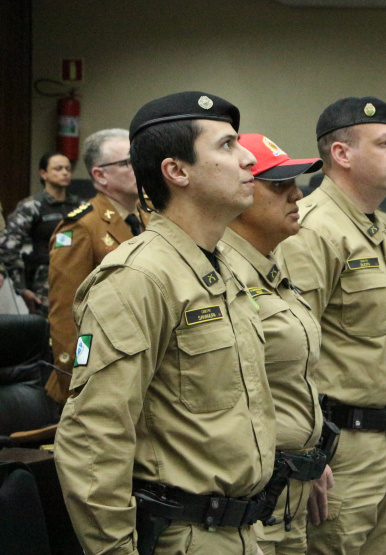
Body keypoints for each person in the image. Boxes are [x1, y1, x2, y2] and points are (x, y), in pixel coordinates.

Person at [54, 91, 276, 555]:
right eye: (227, 145)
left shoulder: (224, 267)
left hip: (243, 530)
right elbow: (95, 434)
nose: (249, 158)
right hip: (184, 535)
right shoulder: (138, 277)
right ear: (176, 171)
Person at [277, 96, 386, 554]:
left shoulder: (380, 225)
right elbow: (292, 351)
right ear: (341, 154)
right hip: (342, 447)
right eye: (385, 143)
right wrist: (310, 453)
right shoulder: (312, 229)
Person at [221, 132, 328, 554]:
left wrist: (311, 453)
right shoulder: (220, 274)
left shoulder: (271, 263)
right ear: (239, 192)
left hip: (292, 486)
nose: (296, 195)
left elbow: (286, 378)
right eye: (280, 185)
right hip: (248, 497)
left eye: (294, 184)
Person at [46, 128, 148, 405]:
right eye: (127, 163)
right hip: (100, 371)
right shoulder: (81, 226)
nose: (138, 167)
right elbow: (66, 313)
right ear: (100, 175)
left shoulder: (148, 217)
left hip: (141, 361)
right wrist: (76, 379)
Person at [0, 151, 82, 314]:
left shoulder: (80, 205)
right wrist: (22, 288)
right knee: (48, 328)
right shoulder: (31, 206)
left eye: (67, 169)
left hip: (78, 278)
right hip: (45, 283)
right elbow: (8, 248)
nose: (65, 173)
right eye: (58, 169)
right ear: (43, 174)